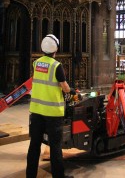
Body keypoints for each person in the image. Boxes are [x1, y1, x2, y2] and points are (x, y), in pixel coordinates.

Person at [26, 34, 75, 178]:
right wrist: (71, 90)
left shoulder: (36, 63)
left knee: (34, 145)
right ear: (56, 49)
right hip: (53, 114)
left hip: (36, 112)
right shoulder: (56, 66)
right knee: (55, 148)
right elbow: (64, 87)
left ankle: (30, 176)